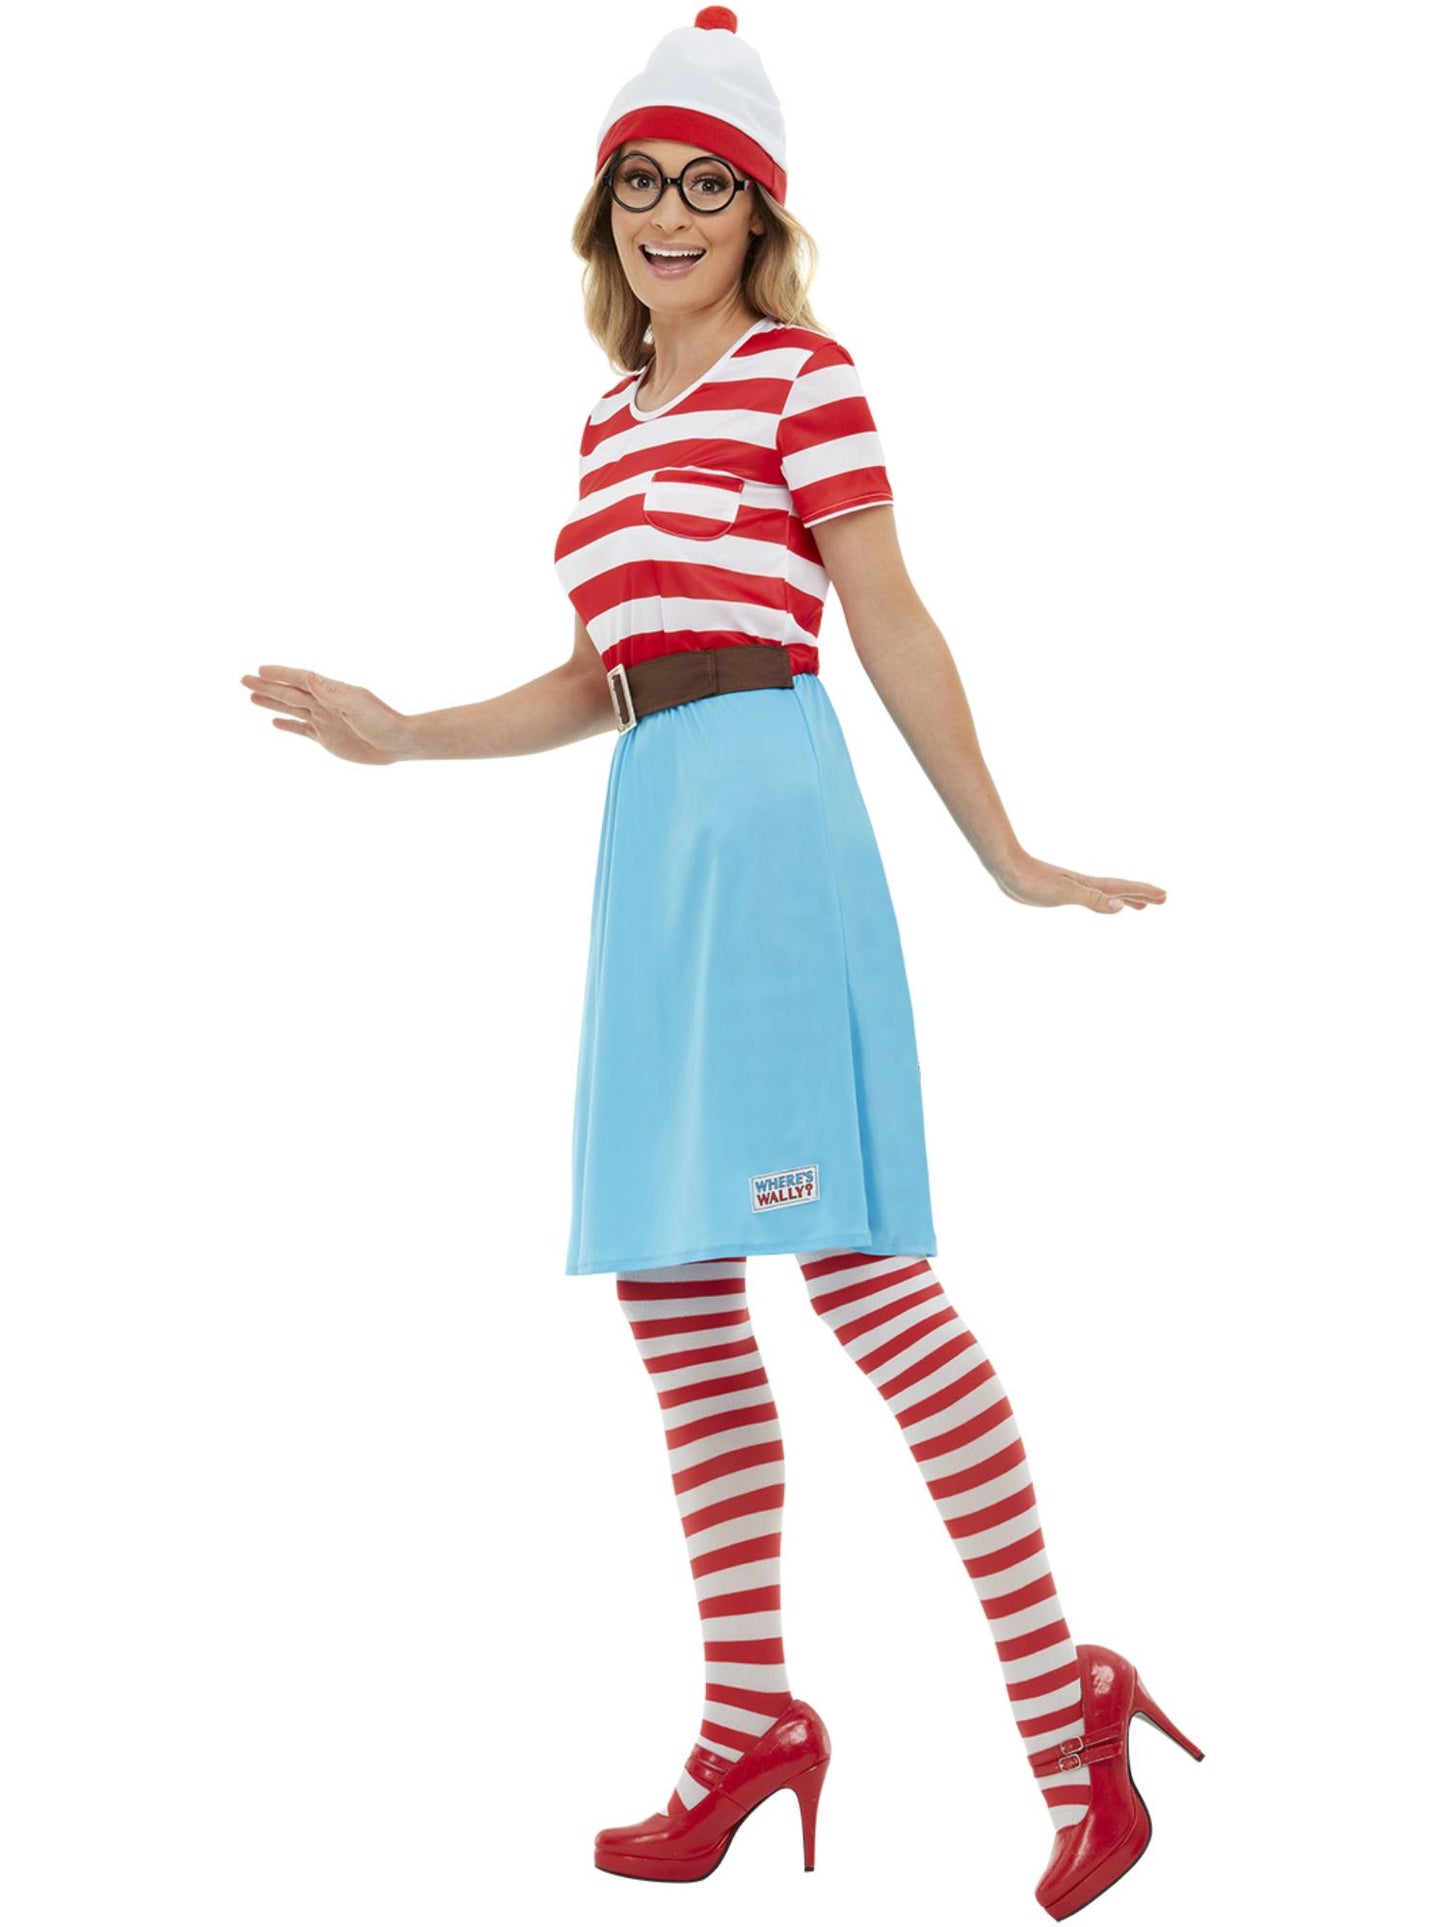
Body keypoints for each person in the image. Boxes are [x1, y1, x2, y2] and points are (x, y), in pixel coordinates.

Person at [240, 8, 1203, 1915]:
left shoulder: (801, 378)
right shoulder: (608, 423)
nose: (669, 214)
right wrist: (405, 734)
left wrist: (1005, 854)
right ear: (602, 212)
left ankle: (1062, 1708)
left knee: (863, 1282)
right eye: (640, 183)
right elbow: (605, 675)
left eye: (708, 185)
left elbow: (888, 616)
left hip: (768, 830)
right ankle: (748, 1719)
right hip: (650, 846)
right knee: (674, 1295)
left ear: (760, 216)